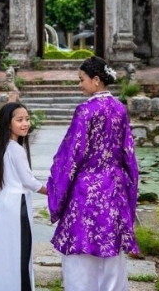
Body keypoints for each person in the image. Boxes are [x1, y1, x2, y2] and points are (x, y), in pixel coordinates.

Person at [47, 56, 139, 291]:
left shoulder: (85, 111)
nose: (80, 85)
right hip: (114, 188)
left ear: (96, 80)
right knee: (111, 251)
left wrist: (58, 188)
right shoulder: (120, 109)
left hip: (86, 190)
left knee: (81, 246)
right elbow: (128, 153)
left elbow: (70, 155)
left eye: (82, 80)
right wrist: (129, 190)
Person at [0, 102, 47, 291]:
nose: (25, 123)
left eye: (27, 119)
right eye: (20, 120)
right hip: (17, 208)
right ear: (8, 124)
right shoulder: (16, 149)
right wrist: (53, 190)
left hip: (4, 204)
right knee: (20, 253)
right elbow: (29, 182)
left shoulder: (4, 146)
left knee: (4, 252)